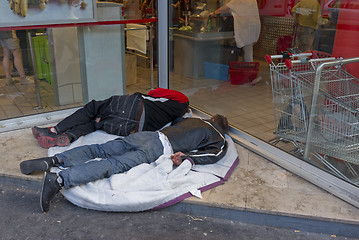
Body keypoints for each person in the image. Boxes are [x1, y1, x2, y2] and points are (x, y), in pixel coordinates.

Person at [20, 114, 229, 212]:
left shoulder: (194, 119)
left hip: (149, 136)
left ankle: (53, 160)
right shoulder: (219, 136)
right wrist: (187, 158)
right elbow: (215, 154)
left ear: (211, 117)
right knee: (112, 165)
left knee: (99, 149)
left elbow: (175, 124)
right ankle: (58, 180)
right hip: (159, 149)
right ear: (223, 128)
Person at [32, 88, 190, 149]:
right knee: (95, 124)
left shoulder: (182, 100)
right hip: (131, 129)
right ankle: (68, 136)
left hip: (132, 107)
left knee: (92, 108)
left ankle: (53, 130)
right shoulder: (174, 115)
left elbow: (153, 92)